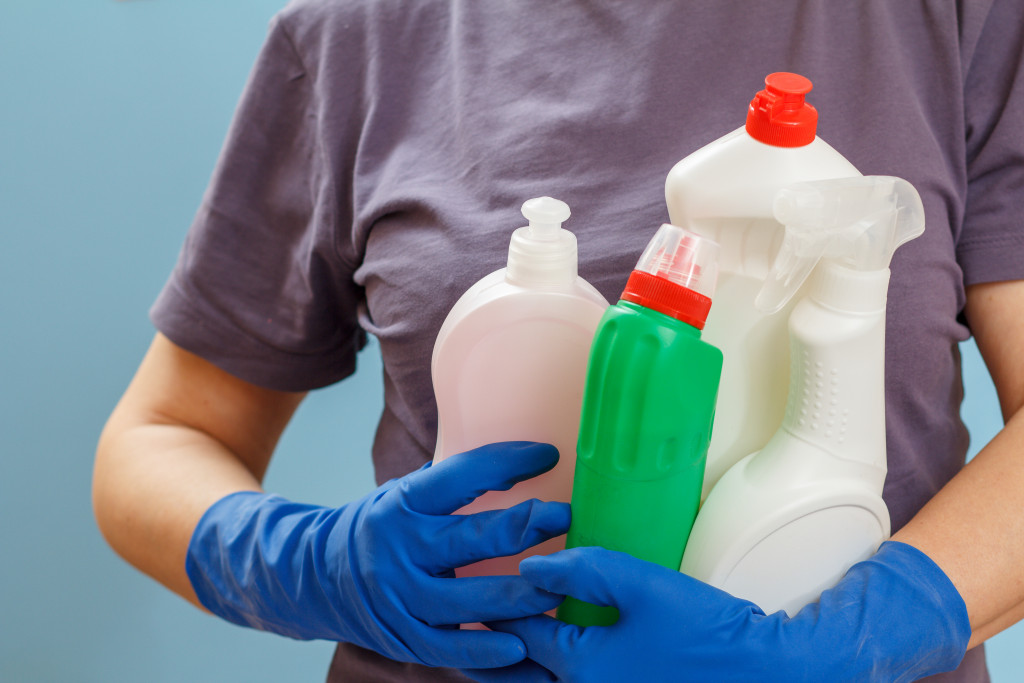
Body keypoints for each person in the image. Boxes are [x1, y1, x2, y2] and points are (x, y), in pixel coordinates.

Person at [92, 1, 1024, 681]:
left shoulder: (949, 17)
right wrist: (312, 564)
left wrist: (861, 634)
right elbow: (161, 436)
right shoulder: (355, 35)